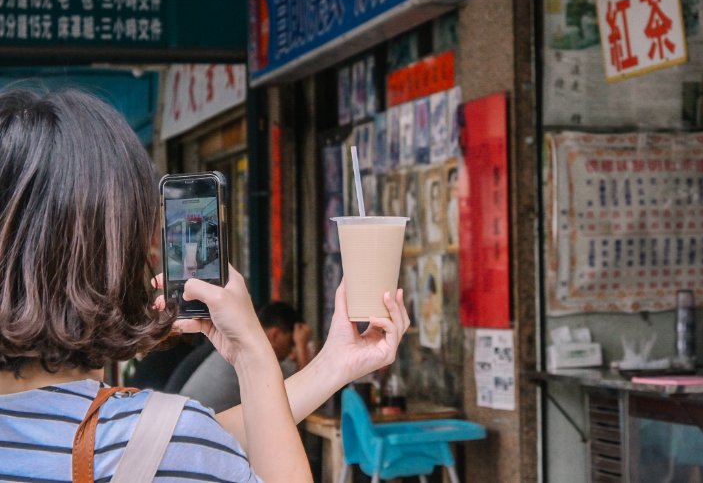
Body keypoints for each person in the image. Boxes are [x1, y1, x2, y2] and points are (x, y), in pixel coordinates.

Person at [0, 88, 410, 482]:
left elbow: (181, 444)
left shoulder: (158, 439)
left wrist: (333, 364)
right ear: (112, 257)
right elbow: (181, 446)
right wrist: (252, 352)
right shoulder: (164, 439)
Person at [179, 302, 314, 412]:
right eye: (291, 343)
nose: (291, 351)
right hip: (197, 434)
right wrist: (302, 346)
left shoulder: (240, 345)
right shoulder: (252, 356)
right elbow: (301, 396)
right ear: (275, 335)